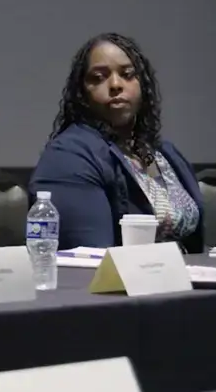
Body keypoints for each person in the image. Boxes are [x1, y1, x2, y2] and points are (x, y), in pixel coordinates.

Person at [30, 33, 203, 252]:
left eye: (127, 74)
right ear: (82, 93)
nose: (115, 84)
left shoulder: (165, 153)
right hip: (127, 282)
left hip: (187, 281)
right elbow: (89, 258)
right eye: (99, 77)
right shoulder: (69, 156)